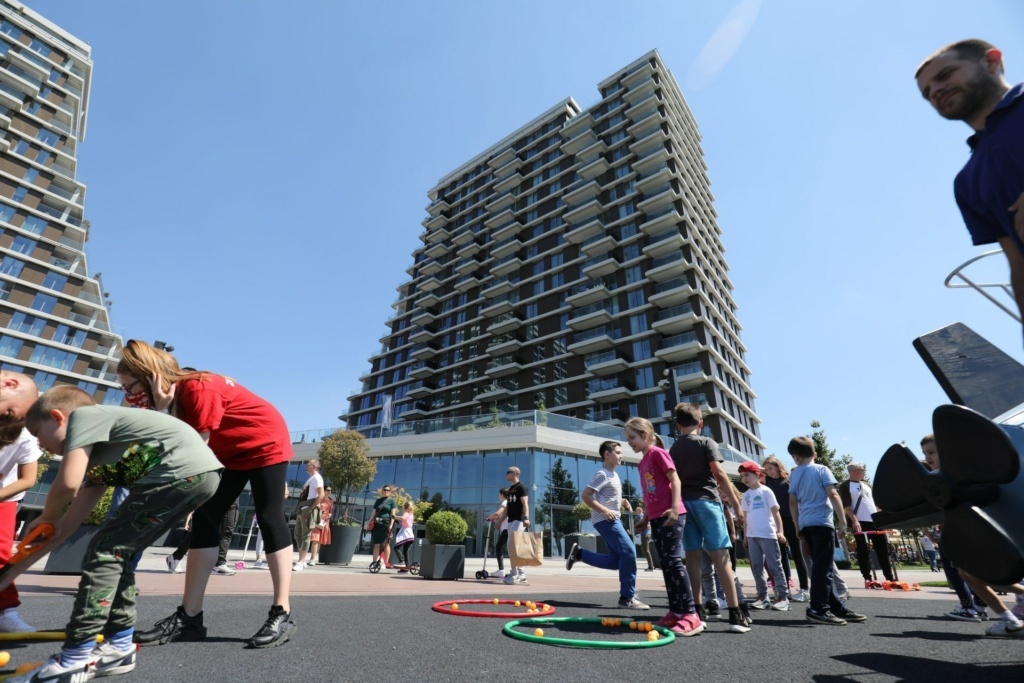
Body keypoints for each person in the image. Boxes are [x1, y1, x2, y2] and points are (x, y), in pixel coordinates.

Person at [6, 385, 222, 682]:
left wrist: (47, 514)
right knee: (115, 552)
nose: (40, 446)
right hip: (197, 476)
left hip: (178, 472)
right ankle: (119, 645)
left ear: (58, 418)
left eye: (39, 435)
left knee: (103, 553)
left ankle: (75, 658)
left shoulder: (83, 417)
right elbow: (64, 528)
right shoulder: (100, 459)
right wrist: (11, 574)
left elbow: (67, 486)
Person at [117, 339, 297, 648]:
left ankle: (282, 611)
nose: (129, 396)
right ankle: (189, 618)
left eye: (131, 387)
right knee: (205, 522)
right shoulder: (172, 398)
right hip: (228, 452)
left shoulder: (200, 389)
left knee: (269, 516)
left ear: (152, 376)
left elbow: (193, 459)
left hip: (265, 442)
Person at [915, 39, 1024, 328]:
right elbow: (1017, 263)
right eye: (927, 93)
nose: (935, 92)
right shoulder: (967, 183)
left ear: (991, 62)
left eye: (944, 75)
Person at [920, 433, 1024, 633]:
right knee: (967, 574)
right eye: (925, 453)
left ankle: (1011, 614)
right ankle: (1011, 620)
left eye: (932, 452)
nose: (928, 458)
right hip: (968, 537)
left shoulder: (966, 476)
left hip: (989, 536)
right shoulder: (940, 482)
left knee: (974, 574)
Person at [669, 402, 750, 633]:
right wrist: (736, 505)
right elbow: (718, 472)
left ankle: (696, 611)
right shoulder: (706, 442)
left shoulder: (674, 448)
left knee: (692, 558)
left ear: (678, 425)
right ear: (701, 424)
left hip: (686, 503)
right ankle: (735, 614)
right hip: (707, 501)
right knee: (720, 556)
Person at [625, 417, 703, 636]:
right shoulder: (642, 462)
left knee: (673, 561)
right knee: (666, 564)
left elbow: (675, 480)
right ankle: (676, 611)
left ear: (646, 435)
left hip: (672, 514)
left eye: (632, 437)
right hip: (658, 516)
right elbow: (650, 495)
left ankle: (691, 614)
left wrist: (675, 508)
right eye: (628, 439)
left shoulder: (658, 453)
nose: (630, 442)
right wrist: (646, 518)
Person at [787, 436, 866, 626]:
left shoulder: (795, 474)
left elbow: (792, 502)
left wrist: (797, 526)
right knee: (824, 568)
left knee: (822, 565)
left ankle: (834, 606)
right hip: (822, 523)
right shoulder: (822, 469)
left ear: (795, 457)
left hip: (806, 524)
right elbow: (833, 493)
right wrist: (842, 521)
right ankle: (817, 608)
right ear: (814, 454)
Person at [565, 440, 648, 610]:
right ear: (607, 455)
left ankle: (581, 554)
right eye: (617, 452)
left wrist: (622, 501)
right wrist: (604, 510)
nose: (621, 455)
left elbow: (608, 496)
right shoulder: (602, 474)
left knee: (616, 560)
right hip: (606, 520)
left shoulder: (614, 475)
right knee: (629, 552)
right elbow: (586, 495)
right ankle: (627, 597)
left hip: (610, 519)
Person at [0, 424, 40, 632]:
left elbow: (28, 479)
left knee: (1, 556)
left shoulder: (24, 436)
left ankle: (5, 611)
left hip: (3, 499)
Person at [738, 461, 790, 611]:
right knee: (756, 567)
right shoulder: (746, 495)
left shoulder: (766, 491)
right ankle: (762, 596)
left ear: (757, 475)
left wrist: (780, 531)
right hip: (752, 535)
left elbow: (775, 512)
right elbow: (746, 518)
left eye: (747, 475)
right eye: (742, 476)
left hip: (768, 534)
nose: (745, 479)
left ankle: (782, 597)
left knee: (774, 566)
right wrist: (746, 536)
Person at [838, 463, 896, 585]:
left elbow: (875, 504)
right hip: (860, 522)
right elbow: (847, 506)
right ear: (854, 471)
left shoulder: (867, 485)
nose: (864, 472)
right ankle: (867, 577)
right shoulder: (845, 486)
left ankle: (889, 577)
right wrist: (854, 520)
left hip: (875, 521)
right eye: (862, 470)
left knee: (883, 549)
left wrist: (884, 519)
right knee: (863, 550)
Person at [762, 455, 809, 602]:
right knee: (781, 556)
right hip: (776, 521)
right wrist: (763, 469)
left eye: (771, 468)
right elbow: (757, 471)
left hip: (791, 520)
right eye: (767, 469)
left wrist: (798, 523)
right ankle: (785, 587)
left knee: (797, 554)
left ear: (778, 466)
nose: (769, 472)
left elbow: (797, 500)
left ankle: (804, 589)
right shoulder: (767, 482)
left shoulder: (788, 481)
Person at [293, 459, 324, 571]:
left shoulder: (317, 478)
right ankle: (302, 560)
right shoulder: (312, 478)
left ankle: (301, 561)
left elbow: (321, 495)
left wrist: (311, 509)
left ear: (315, 467)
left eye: (309, 465)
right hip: (302, 508)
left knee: (305, 535)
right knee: (298, 535)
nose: (307, 466)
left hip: (307, 508)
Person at [503, 466, 530, 585]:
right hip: (510, 521)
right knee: (514, 547)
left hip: (519, 520)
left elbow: (525, 504)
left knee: (512, 546)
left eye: (508, 472)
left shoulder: (521, 487)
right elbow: (507, 508)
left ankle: (514, 574)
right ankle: (521, 574)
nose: (506, 474)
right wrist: (500, 521)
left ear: (515, 474)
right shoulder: (510, 490)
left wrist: (526, 518)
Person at [370, 485, 395, 569]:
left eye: (388, 490)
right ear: (382, 491)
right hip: (377, 524)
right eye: (385, 490)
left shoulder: (391, 501)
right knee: (376, 544)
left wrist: (391, 525)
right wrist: (369, 522)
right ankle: (374, 563)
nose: (386, 491)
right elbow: (373, 512)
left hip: (386, 524)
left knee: (386, 544)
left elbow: (393, 515)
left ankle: (385, 563)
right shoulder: (378, 501)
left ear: (390, 491)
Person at [486, 488, 510, 578]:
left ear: (502, 494)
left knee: (498, 547)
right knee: (509, 548)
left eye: (499, 494)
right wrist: (498, 520)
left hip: (507, 529)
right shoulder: (509, 502)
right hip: (508, 528)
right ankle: (514, 571)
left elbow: (497, 513)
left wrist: (489, 517)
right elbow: (502, 516)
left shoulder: (505, 502)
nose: (498, 496)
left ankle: (501, 570)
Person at [309, 486, 334, 565]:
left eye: (330, 490)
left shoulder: (331, 501)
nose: (329, 492)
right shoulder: (319, 498)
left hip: (324, 522)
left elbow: (330, 511)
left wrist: (330, 515)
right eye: (327, 490)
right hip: (317, 520)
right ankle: (312, 559)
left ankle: (313, 558)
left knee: (319, 541)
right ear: (324, 490)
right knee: (315, 539)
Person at [393, 501, 415, 572]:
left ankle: (402, 561)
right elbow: (405, 521)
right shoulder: (411, 515)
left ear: (404, 508)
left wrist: (395, 517)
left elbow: (403, 518)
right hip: (410, 533)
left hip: (405, 533)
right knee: (405, 551)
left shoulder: (406, 513)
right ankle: (406, 566)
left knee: (396, 548)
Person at [633, 503, 655, 571]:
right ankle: (651, 565)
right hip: (646, 534)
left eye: (636, 511)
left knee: (646, 550)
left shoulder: (640, 516)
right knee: (644, 549)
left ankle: (651, 566)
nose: (636, 512)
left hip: (645, 534)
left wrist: (636, 527)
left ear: (639, 511)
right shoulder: (643, 516)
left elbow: (642, 524)